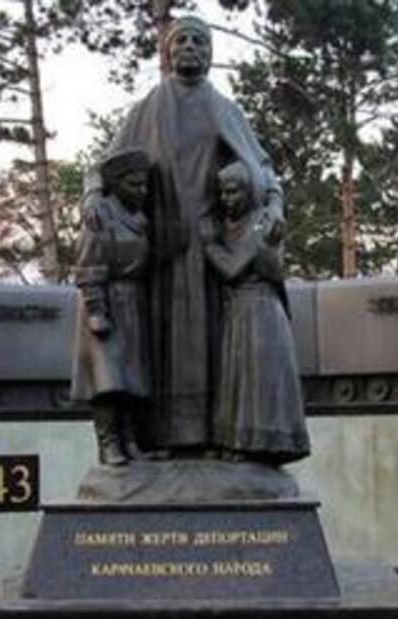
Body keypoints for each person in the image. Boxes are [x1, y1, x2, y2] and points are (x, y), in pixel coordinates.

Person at [84, 16, 285, 455]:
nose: (190, 47)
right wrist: (93, 196)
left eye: (199, 40)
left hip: (214, 250)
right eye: (181, 41)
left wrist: (273, 205)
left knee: (216, 349)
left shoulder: (226, 110)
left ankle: (218, 436)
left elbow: (264, 169)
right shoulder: (149, 107)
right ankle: (154, 438)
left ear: (211, 53)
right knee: (155, 349)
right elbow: (104, 166)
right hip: (162, 251)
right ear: (167, 53)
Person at [201, 161, 309, 464]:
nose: (226, 199)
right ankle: (237, 442)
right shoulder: (232, 224)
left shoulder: (263, 222)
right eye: (222, 193)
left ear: (248, 192)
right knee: (239, 381)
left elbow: (232, 268)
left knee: (257, 381)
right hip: (239, 310)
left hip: (260, 310)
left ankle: (261, 445)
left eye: (233, 192)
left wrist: (209, 245)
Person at [71, 148, 153, 466]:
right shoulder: (100, 216)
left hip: (133, 302)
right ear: (116, 184)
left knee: (131, 380)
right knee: (107, 381)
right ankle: (109, 443)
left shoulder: (139, 218)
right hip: (106, 301)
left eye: (144, 185)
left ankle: (130, 441)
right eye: (135, 185)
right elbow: (88, 265)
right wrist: (96, 311)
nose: (142, 191)